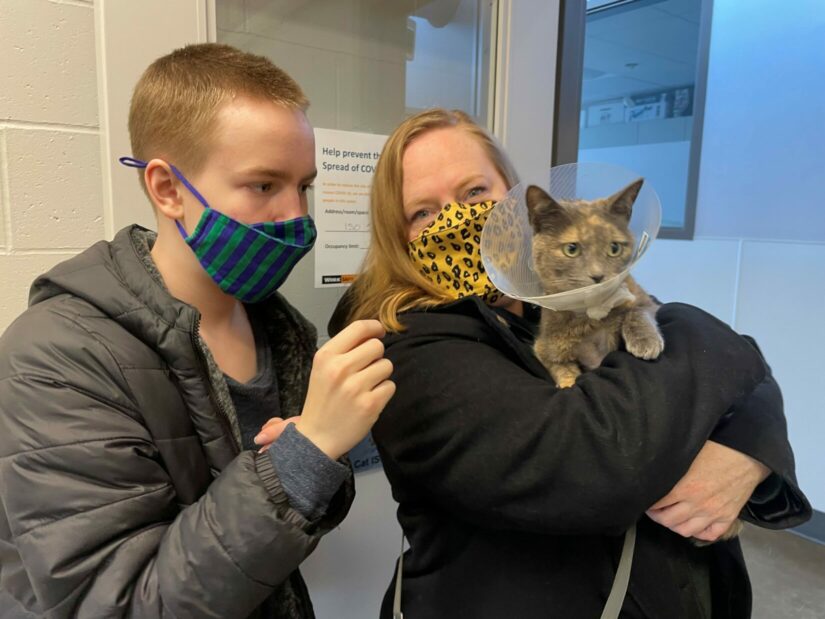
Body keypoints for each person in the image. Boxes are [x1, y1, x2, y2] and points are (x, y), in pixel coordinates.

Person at [332, 108, 811, 619]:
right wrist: (702, 331)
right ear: (397, 236)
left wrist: (747, 453)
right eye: (422, 212)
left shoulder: (560, 286)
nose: (456, 218)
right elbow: (591, 461)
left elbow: (729, 377)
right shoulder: (405, 344)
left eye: (474, 193)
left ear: (516, 201)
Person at [0, 43, 395, 618]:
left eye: (303, 186)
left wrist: (315, 461)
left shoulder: (281, 329)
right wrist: (305, 453)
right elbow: (117, 605)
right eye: (264, 185)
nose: (296, 216)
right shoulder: (55, 359)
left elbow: (297, 512)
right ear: (167, 189)